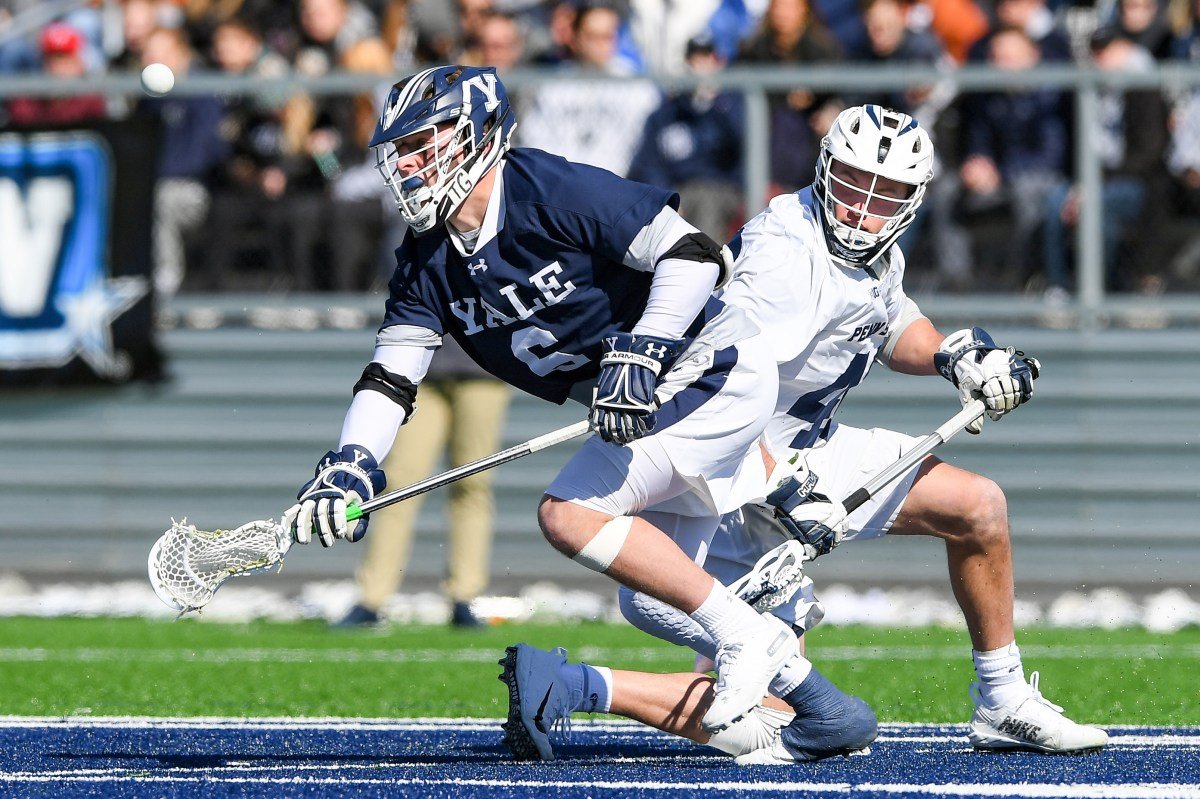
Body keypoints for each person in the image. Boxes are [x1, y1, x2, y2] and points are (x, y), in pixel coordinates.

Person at [281, 64, 877, 762]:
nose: (406, 166)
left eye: (422, 145)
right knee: (653, 597)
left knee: (568, 513)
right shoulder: (425, 260)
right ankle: (818, 701)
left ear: (473, 136)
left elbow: (694, 252)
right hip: (649, 399)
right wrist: (352, 463)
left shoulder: (546, 188)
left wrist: (644, 349)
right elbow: (390, 374)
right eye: (400, 151)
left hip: (708, 366)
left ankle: (748, 635)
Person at [501, 104, 1109, 763]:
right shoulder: (785, 260)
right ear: (824, 172)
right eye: (850, 183)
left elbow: (890, 319)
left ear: (912, 202)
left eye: (885, 194)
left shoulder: (875, 254)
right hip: (739, 479)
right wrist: (784, 486)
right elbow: (733, 395)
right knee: (770, 723)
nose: (861, 207)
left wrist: (955, 356)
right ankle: (574, 685)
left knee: (977, 507)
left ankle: (1003, 698)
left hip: (810, 448)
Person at [336, 336, 511, 629]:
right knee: (398, 487)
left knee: (472, 486)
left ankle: (464, 597)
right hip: (421, 376)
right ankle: (372, 598)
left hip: (484, 374)